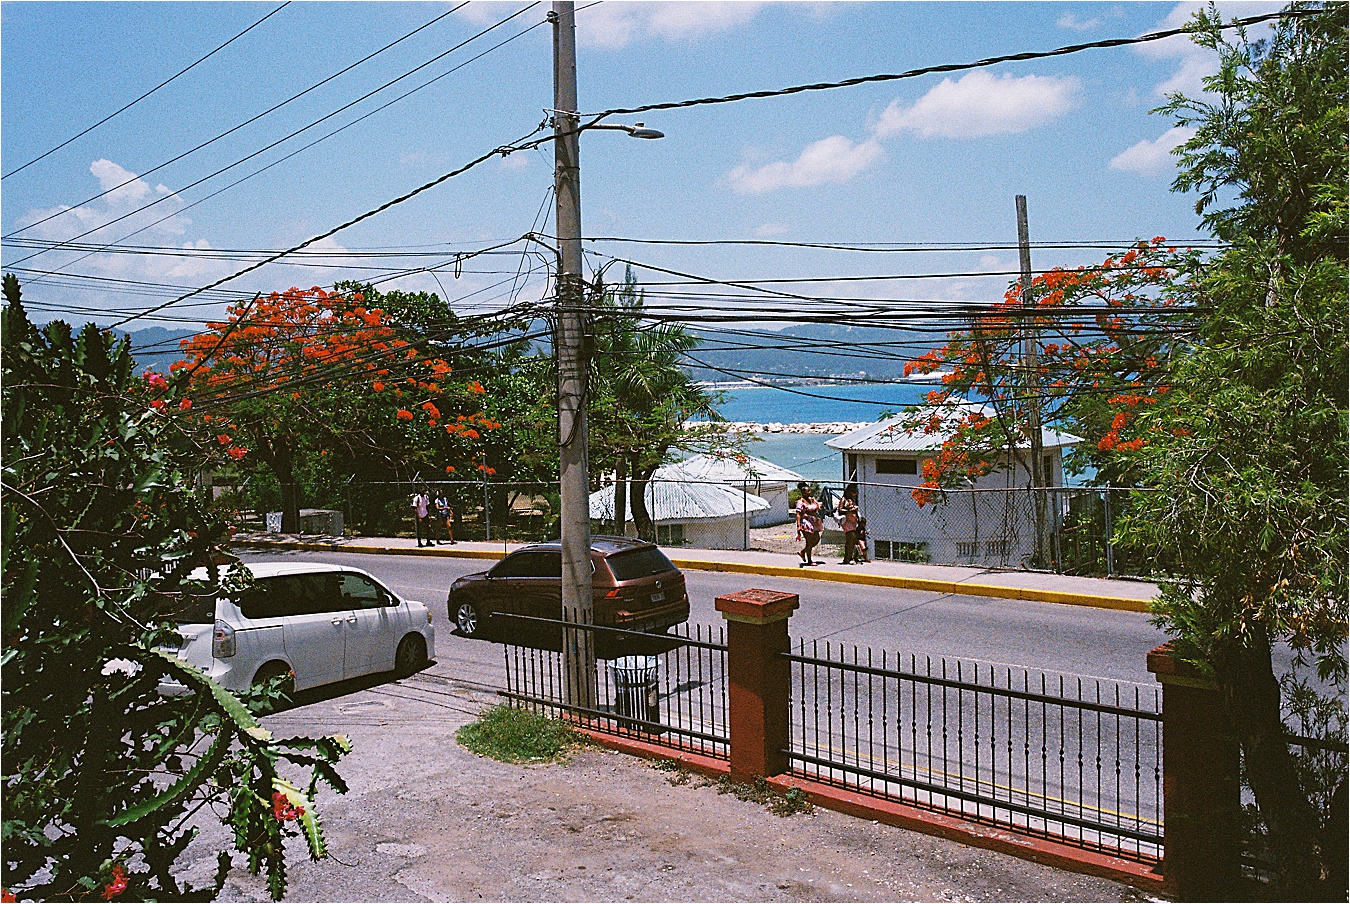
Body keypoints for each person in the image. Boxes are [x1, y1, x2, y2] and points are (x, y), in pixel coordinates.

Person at [795, 483, 823, 567]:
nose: (809, 492)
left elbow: (817, 506)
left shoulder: (812, 500)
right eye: (807, 491)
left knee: (817, 538)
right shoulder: (800, 502)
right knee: (809, 541)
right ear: (803, 493)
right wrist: (799, 526)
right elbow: (798, 514)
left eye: (809, 490)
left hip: (814, 521)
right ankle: (809, 560)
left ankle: (803, 552)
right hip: (806, 522)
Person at [837, 484, 861, 564]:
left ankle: (849, 557)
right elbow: (840, 510)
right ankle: (847, 558)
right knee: (850, 538)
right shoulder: (844, 499)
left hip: (853, 522)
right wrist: (850, 510)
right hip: (847, 522)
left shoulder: (852, 500)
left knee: (852, 540)